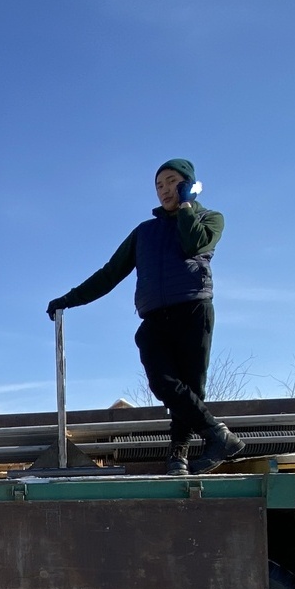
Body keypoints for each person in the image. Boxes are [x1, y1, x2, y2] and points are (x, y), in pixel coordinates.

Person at [47, 158, 243, 476]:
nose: (165, 189)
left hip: (193, 310)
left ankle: (178, 456)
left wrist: (187, 206)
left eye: (172, 182)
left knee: (191, 386)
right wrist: (69, 299)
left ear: (189, 183)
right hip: (154, 318)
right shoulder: (144, 233)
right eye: (159, 185)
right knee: (163, 382)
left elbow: (194, 243)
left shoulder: (210, 218)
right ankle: (219, 436)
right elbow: (110, 274)